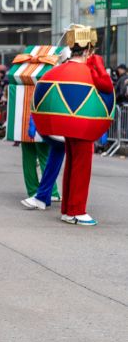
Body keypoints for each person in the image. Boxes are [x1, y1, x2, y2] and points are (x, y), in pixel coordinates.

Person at [31, 25, 114, 226]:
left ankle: (68, 210)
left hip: (66, 128)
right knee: (81, 167)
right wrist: (98, 64)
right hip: (84, 127)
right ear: (88, 50)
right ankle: (77, 210)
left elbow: (39, 95)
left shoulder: (55, 71)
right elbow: (107, 87)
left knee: (71, 166)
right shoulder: (90, 72)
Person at [7, 46, 65, 207]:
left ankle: (35, 190)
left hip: (25, 121)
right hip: (40, 123)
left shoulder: (21, 73)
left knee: (30, 157)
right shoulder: (51, 74)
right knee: (44, 157)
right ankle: (49, 191)